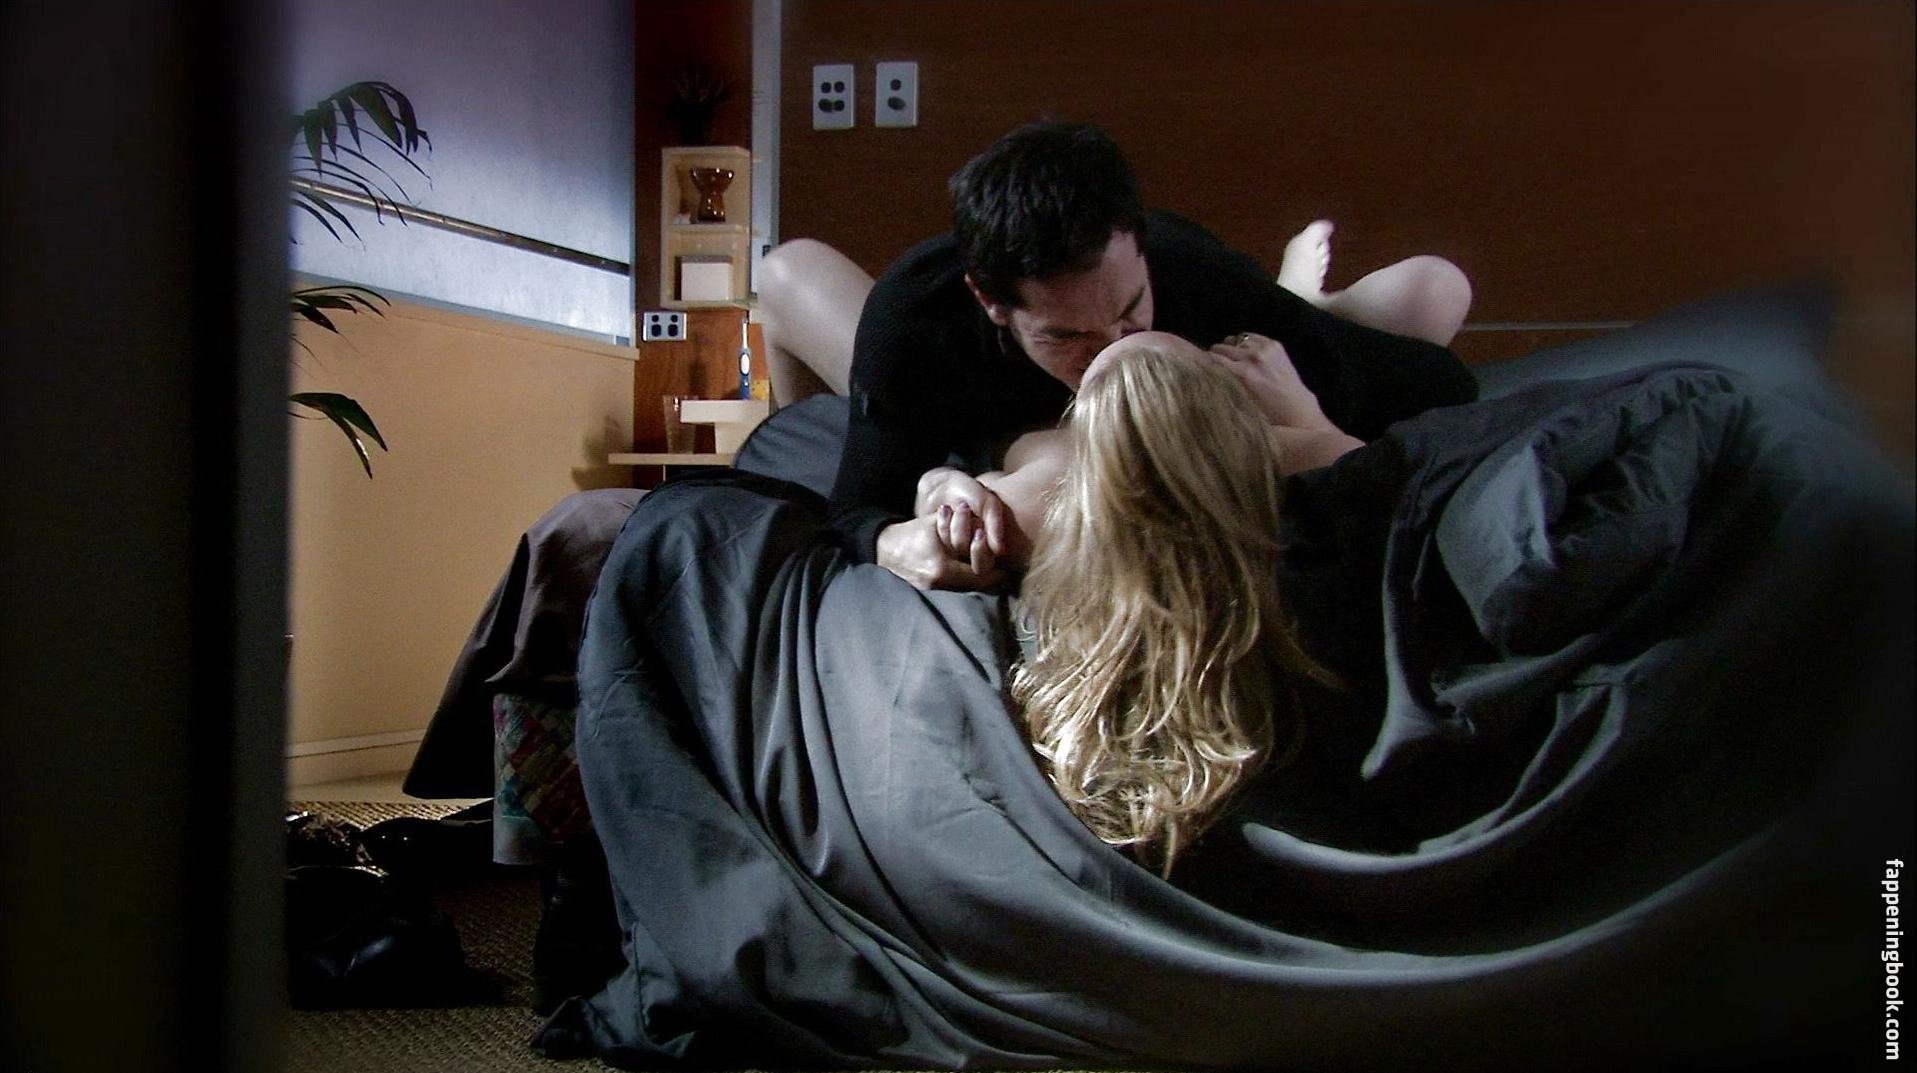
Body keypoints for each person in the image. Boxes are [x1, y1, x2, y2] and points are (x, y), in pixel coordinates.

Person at [757, 121, 1476, 592]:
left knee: (1431, 292)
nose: (1114, 352)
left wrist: (1302, 410)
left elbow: (1443, 388)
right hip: (962, 408)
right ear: (991, 302)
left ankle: (1304, 299)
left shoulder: (1193, 277)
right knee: (787, 270)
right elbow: (857, 509)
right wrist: (893, 543)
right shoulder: (917, 319)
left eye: (1130, 312)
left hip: (1225, 321)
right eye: (1066, 336)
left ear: (1139, 249)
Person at [986, 329, 1345, 876]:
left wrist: (938, 484)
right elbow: (1365, 462)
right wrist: (1305, 411)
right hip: (1276, 788)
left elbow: (1014, 457)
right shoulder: (1310, 465)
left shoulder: (1034, 509)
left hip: (1128, 814)